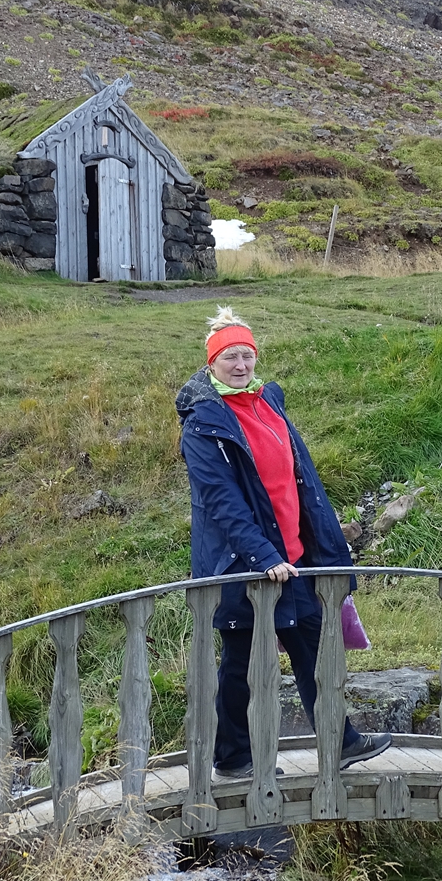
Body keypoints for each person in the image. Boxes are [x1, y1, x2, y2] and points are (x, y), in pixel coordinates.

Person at [175, 307, 393, 780]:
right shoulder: (203, 424)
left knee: (314, 652)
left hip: (292, 559)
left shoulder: (268, 403)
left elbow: (299, 482)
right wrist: (264, 556)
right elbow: (221, 502)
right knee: (241, 664)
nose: (240, 365)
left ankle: (340, 742)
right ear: (211, 362)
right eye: (229, 357)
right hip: (242, 565)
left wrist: (315, 549)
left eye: (247, 355)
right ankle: (233, 758)